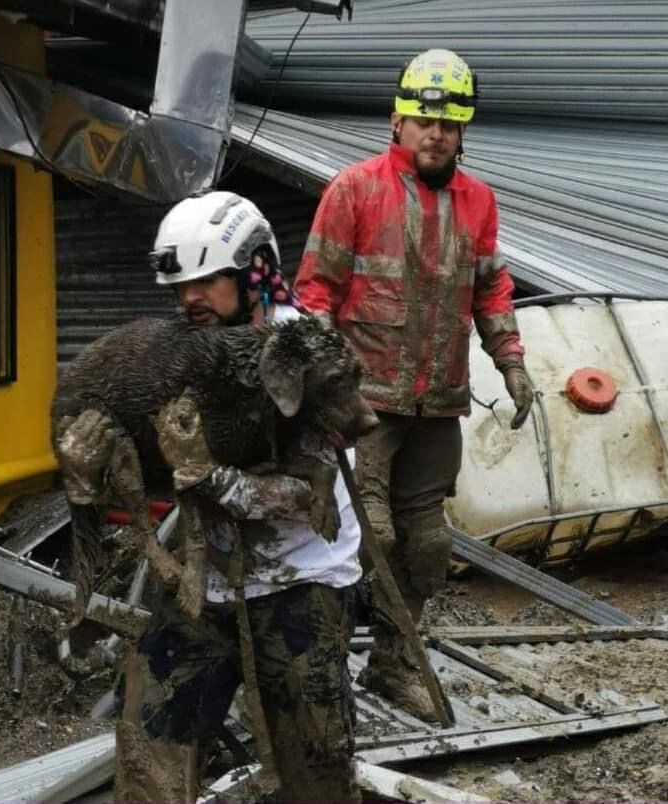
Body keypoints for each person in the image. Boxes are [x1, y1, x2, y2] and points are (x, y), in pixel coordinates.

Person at [293, 49, 533, 721]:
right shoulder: (354, 190)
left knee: (427, 546)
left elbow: (491, 289)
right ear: (397, 121)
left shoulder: (478, 201)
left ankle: (392, 665)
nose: (437, 135)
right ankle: (319, 671)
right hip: (363, 405)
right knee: (367, 538)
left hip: (439, 403)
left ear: (462, 132)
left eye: (450, 125)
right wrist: (323, 390)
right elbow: (314, 294)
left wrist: (512, 362)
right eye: (426, 121)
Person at [112, 192, 362, 802]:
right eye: (182, 287)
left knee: (314, 756)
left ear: (255, 272)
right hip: (211, 578)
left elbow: (308, 497)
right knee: (150, 735)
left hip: (302, 576)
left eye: (207, 282)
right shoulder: (187, 351)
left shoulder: (307, 353)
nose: (190, 298)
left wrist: (213, 478)